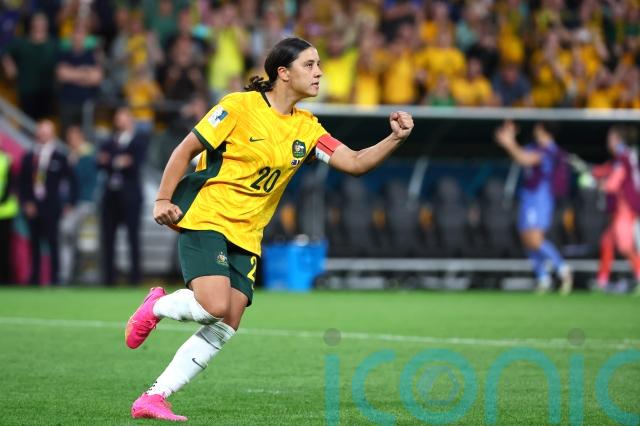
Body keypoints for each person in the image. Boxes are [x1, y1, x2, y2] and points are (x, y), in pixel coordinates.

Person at [125, 37, 414, 421]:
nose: (319, 72)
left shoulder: (308, 129)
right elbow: (185, 150)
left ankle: (154, 397)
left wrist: (395, 138)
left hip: (248, 233)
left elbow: (356, 162)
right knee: (214, 306)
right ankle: (157, 306)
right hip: (208, 216)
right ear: (283, 72)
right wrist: (163, 199)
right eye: (309, 65)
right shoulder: (238, 107)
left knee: (227, 322)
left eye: (319, 64)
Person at [495, 120, 572, 294]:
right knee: (526, 238)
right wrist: (509, 138)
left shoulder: (550, 150)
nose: (535, 130)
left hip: (540, 198)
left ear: (544, 129)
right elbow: (520, 155)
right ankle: (543, 278)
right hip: (528, 196)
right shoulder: (534, 146)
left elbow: (525, 159)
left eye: (538, 127)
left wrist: (510, 143)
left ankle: (562, 268)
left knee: (535, 239)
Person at [18, 120, 77, 285]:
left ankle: (55, 278)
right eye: (41, 131)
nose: (43, 135)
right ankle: (35, 278)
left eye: (46, 132)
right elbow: (22, 183)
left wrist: (69, 202)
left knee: (53, 242)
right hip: (33, 206)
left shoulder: (60, 157)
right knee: (34, 243)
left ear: (52, 134)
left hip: (51, 206)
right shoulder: (29, 156)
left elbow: (72, 181)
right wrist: (26, 202)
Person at [97, 107, 147, 286]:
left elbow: (135, 163)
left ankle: (135, 279)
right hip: (110, 196)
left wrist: (112, 160)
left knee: (133, 237)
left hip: (130, 197)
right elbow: (100, 161)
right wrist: (119, 161)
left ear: (130, 119)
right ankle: (108, 279)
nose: (119, 120)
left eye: (123, 116)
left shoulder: (138, 141)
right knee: (108, 238)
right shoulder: (109, 141)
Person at [592, 126, 640, 294]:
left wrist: (599, 184)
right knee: (607, 242)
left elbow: (613, 183)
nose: (608, 142)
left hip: (626, 208)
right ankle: (602, 280)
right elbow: (606, 170)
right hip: (622, 208)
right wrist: (596, 173)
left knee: (625, 247)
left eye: (610, 139)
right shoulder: (623, 157)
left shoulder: (623, 157)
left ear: (618, 140)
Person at [59, 126, 97, 284]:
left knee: (82, 242)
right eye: (69, 138)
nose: (70, 141)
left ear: (81, 137)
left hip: (84, 203)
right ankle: (69, 276)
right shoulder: (72, 155)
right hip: (76, 204)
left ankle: (84, 277)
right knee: (71, 240)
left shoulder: (87, 155)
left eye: (73, 137)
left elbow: (81, 181)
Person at [0, 143, 19, 284]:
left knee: (4, 247)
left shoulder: (6, 159)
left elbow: (10, 185)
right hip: (5, 209)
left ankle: (5, 278)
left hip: (5, 210)